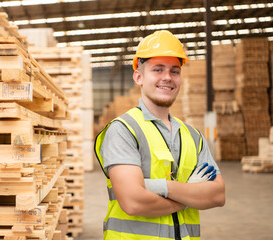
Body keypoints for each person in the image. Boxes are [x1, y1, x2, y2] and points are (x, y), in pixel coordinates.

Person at [94, 30, 225, 240]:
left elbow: (217, 195)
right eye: (158, 69)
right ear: (139, 76)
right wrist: (189, 195)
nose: (167, 77)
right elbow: (133, 201)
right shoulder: (123, 130)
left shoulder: (193, 136)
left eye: (175, 71)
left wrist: (158, 186)